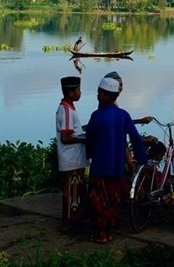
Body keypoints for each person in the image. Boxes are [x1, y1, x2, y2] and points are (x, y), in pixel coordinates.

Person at [85, 77, 148, 244]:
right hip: (117, 167)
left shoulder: (97, 116)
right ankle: (109, 232)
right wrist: (142, 160)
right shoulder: (123, 115)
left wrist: (89, 154)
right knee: (113, 199)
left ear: (107, 96)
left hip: (99, 167)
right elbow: (135, 138)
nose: (98, 95)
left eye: (100, 93)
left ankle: (101, 234)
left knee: (98, 200)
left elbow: (90, 139)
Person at [55, 76, 88, 230]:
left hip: (73, 160)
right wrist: (84, 139)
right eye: (78, 90)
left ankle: (74, 220)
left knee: (75, 191)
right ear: (70, 93)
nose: (80, 93)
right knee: (72, 192)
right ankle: (69, 223)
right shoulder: (67, 110)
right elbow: (66, 137)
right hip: (71, 160)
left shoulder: (68, 108)